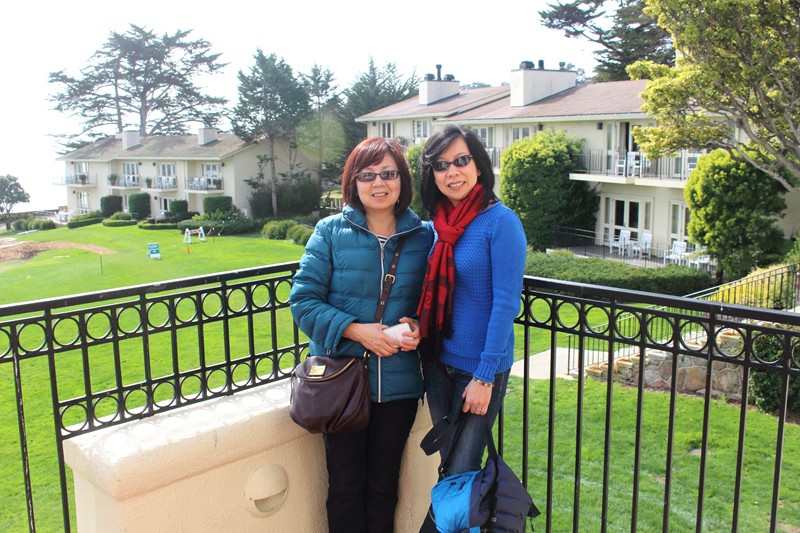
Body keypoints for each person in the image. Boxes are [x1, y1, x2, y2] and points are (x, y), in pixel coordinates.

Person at [290, 137, 434, 533]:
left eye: (388, 173)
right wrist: (356, 331)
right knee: (346, 487)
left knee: (384, 488)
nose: (379, 183)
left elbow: (435, 301)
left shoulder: (424, 237)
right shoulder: (330, 232)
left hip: (399, 387)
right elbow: (303, 302)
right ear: (353, 182)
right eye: (367, 175)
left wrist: (419, 326)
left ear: (402, 180)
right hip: (341, 384)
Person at [416, 125, 527, 524]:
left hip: (478, 371)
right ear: (432, 175)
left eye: (461, 161)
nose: (453, 172)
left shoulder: (501, 222)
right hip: (437, 364)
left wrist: (484, 377)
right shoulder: (436, 226)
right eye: (441, 165)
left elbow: (505, 304)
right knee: (453, 473)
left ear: (478, 165)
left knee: (460, 472)